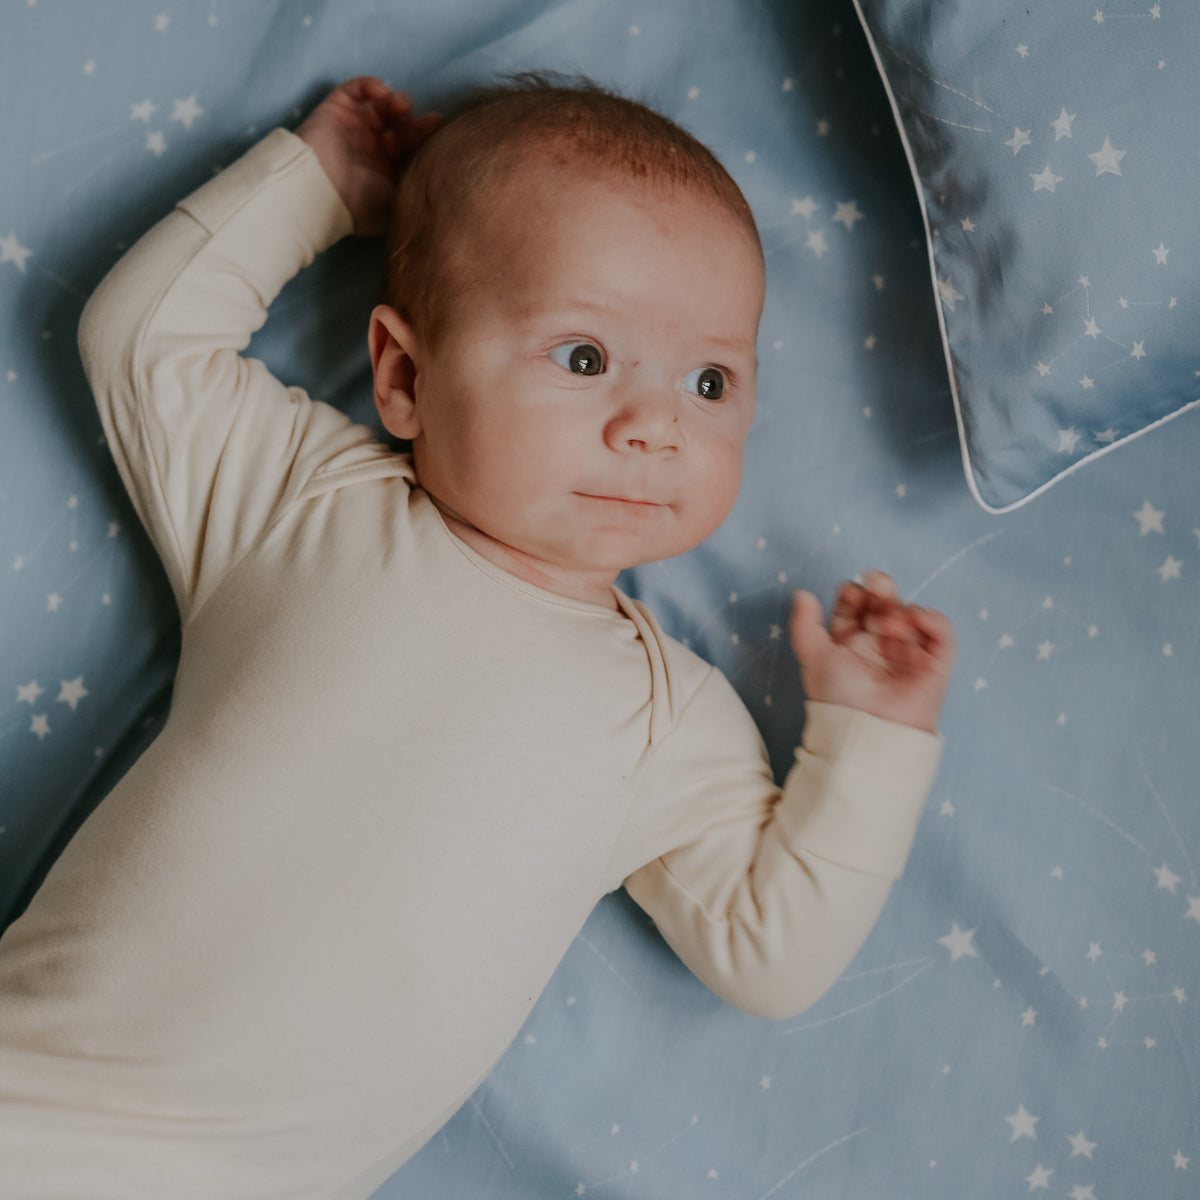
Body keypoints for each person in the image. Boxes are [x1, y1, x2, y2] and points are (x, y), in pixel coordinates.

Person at [0, 75, 954, 1198]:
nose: (656, 426)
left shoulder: (669, 717)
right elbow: (145, 338)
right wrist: (320, 183)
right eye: (586, 358)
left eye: (710, 381)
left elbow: (771, 952)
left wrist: (872, 736)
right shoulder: (308, 505)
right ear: (402, 375)